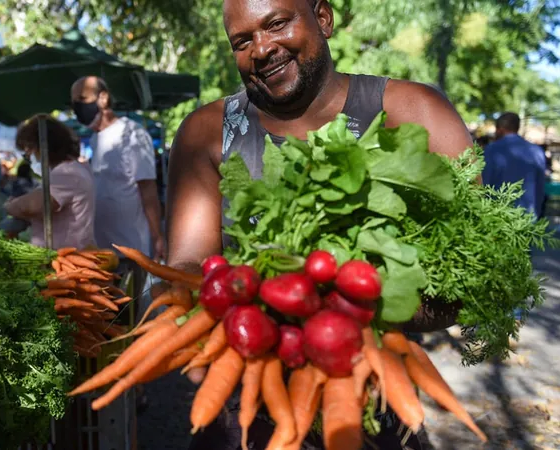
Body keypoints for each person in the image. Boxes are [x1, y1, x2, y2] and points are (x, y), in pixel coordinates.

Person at [163, 0, 474, 448]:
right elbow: (188, 262)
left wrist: (339, 310)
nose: (262, 49)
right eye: (242, 41)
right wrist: (189, 307)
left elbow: (468, 272)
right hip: (247, 404)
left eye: (276, 24)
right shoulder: (207, 132)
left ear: (323, 19)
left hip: (371, 400)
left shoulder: (413, 110)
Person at [70, 76, 166, 305]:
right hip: (102, 252)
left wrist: (158, 237)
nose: (78, 107)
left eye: (82, 99)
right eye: (74, 102)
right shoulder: (94, 139)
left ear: (103, 98)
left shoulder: (132, 134)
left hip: (131, 249)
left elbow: (148, 188)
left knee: (132, 311)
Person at [4, 114, 95, 250]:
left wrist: (10, 206)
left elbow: (33, 206)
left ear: (44, 148)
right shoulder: (69, 170)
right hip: (61, 255)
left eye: (29, 151)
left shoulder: (66, 173)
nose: (29, 157)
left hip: (66, 259)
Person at [482, 112, 547, 218]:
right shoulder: (536, 152)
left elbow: (484, 184)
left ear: (499, 129)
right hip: (527, 217)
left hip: (497, 216)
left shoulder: (491, 150)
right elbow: (540, 189)